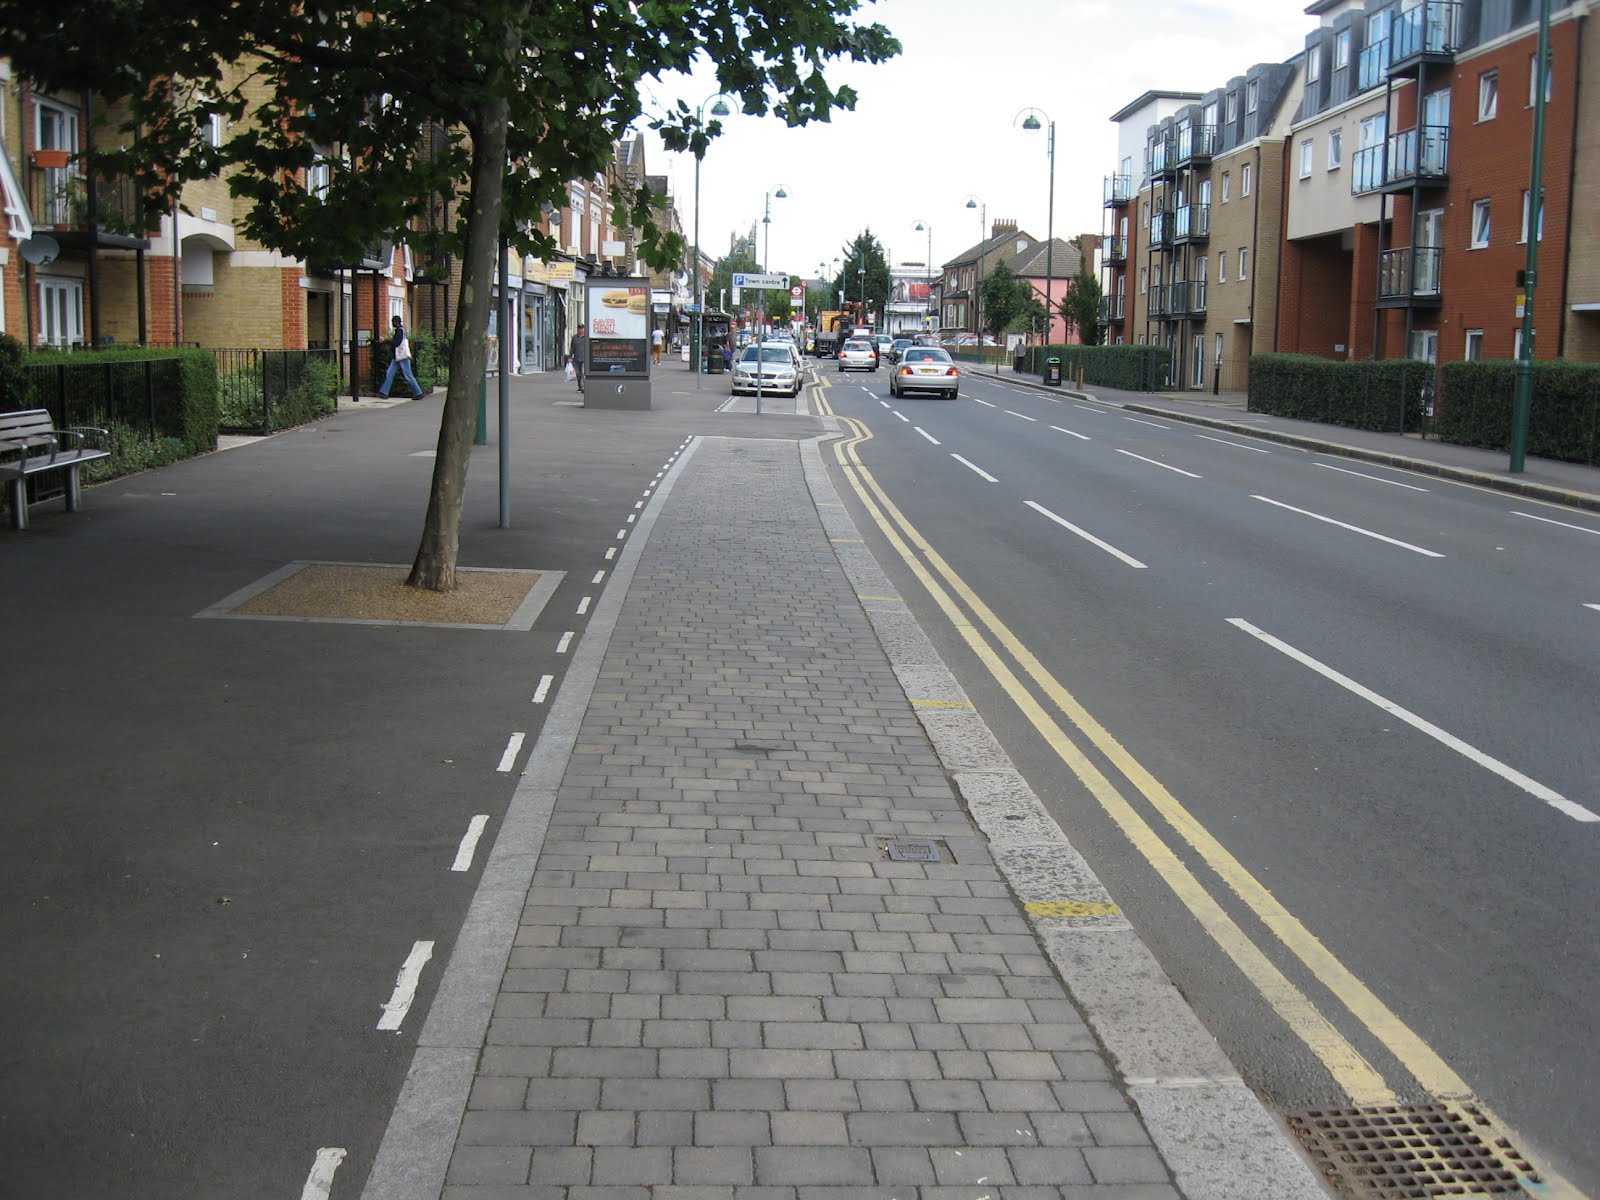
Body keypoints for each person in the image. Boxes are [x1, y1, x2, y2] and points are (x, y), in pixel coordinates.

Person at [377, 314, 424, 399]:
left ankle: (418, 393)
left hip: (402, 356)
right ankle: (384, 392)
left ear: (396, 322)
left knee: (408, 375)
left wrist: (386, 341)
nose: (392, 324)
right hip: (398, 357)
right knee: (389, 374)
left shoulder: (400, 331)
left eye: (393, 322)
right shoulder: (401, 330)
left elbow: (396, 343)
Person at [569, 323, 588, 393]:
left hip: (584, 358)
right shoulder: (574, 337)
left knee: (583, 373)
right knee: (578, 373)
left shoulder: (586, 337)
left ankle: (583, 387)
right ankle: (580, 386)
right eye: (579, 329)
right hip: (576, 358)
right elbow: (572, 348)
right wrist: (570, 357)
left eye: (582, 329)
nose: (581, 330)